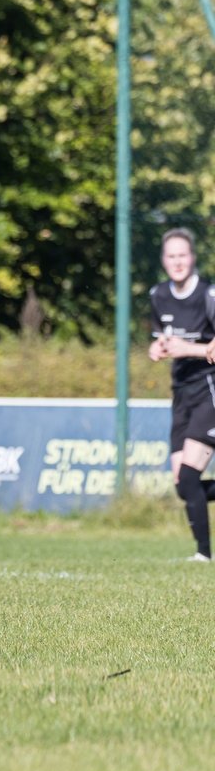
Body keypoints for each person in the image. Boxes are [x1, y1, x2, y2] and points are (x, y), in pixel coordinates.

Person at [146, 227, 215, 561]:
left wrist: (188, 348)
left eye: (182, 255)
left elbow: (204, 349)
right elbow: (162, 337)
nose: (177, 261)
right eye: (171, 256)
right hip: (181, 393)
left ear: (192, 257)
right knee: (181, 484)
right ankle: (202, 553)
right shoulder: (158, 295)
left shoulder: (209, 295)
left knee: (189, 477)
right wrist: (156, 348)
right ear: (163, 260)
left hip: (209, 391)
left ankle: (203, 555)